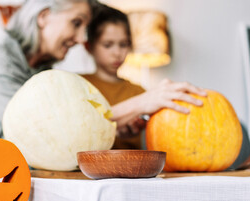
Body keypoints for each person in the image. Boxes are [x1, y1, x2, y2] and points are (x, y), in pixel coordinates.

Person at [0, 0, 95, 137]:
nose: (81, 38)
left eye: (85, 28)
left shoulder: (44, 72)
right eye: (76, 23)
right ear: (43, 17)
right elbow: (38, 128)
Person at [82, 4, 207, 149]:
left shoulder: (138, 91)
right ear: (88, 46)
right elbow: (79, 127)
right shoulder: (80, 85)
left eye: (123, 44)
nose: (117, 53)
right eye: (108, 45)